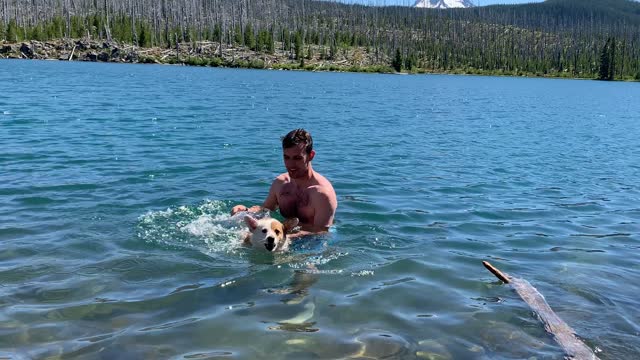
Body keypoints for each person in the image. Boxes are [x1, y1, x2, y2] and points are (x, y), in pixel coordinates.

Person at [231, 129, 337, 237]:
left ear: (311, 155)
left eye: (297, 158)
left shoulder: (322, 194)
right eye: (286, 157)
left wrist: (284, 237)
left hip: (312, 243)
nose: (291, 164)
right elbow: (266, 209)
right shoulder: (280, 183)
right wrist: (246, 210)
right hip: (284, 236)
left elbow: (322, 232)